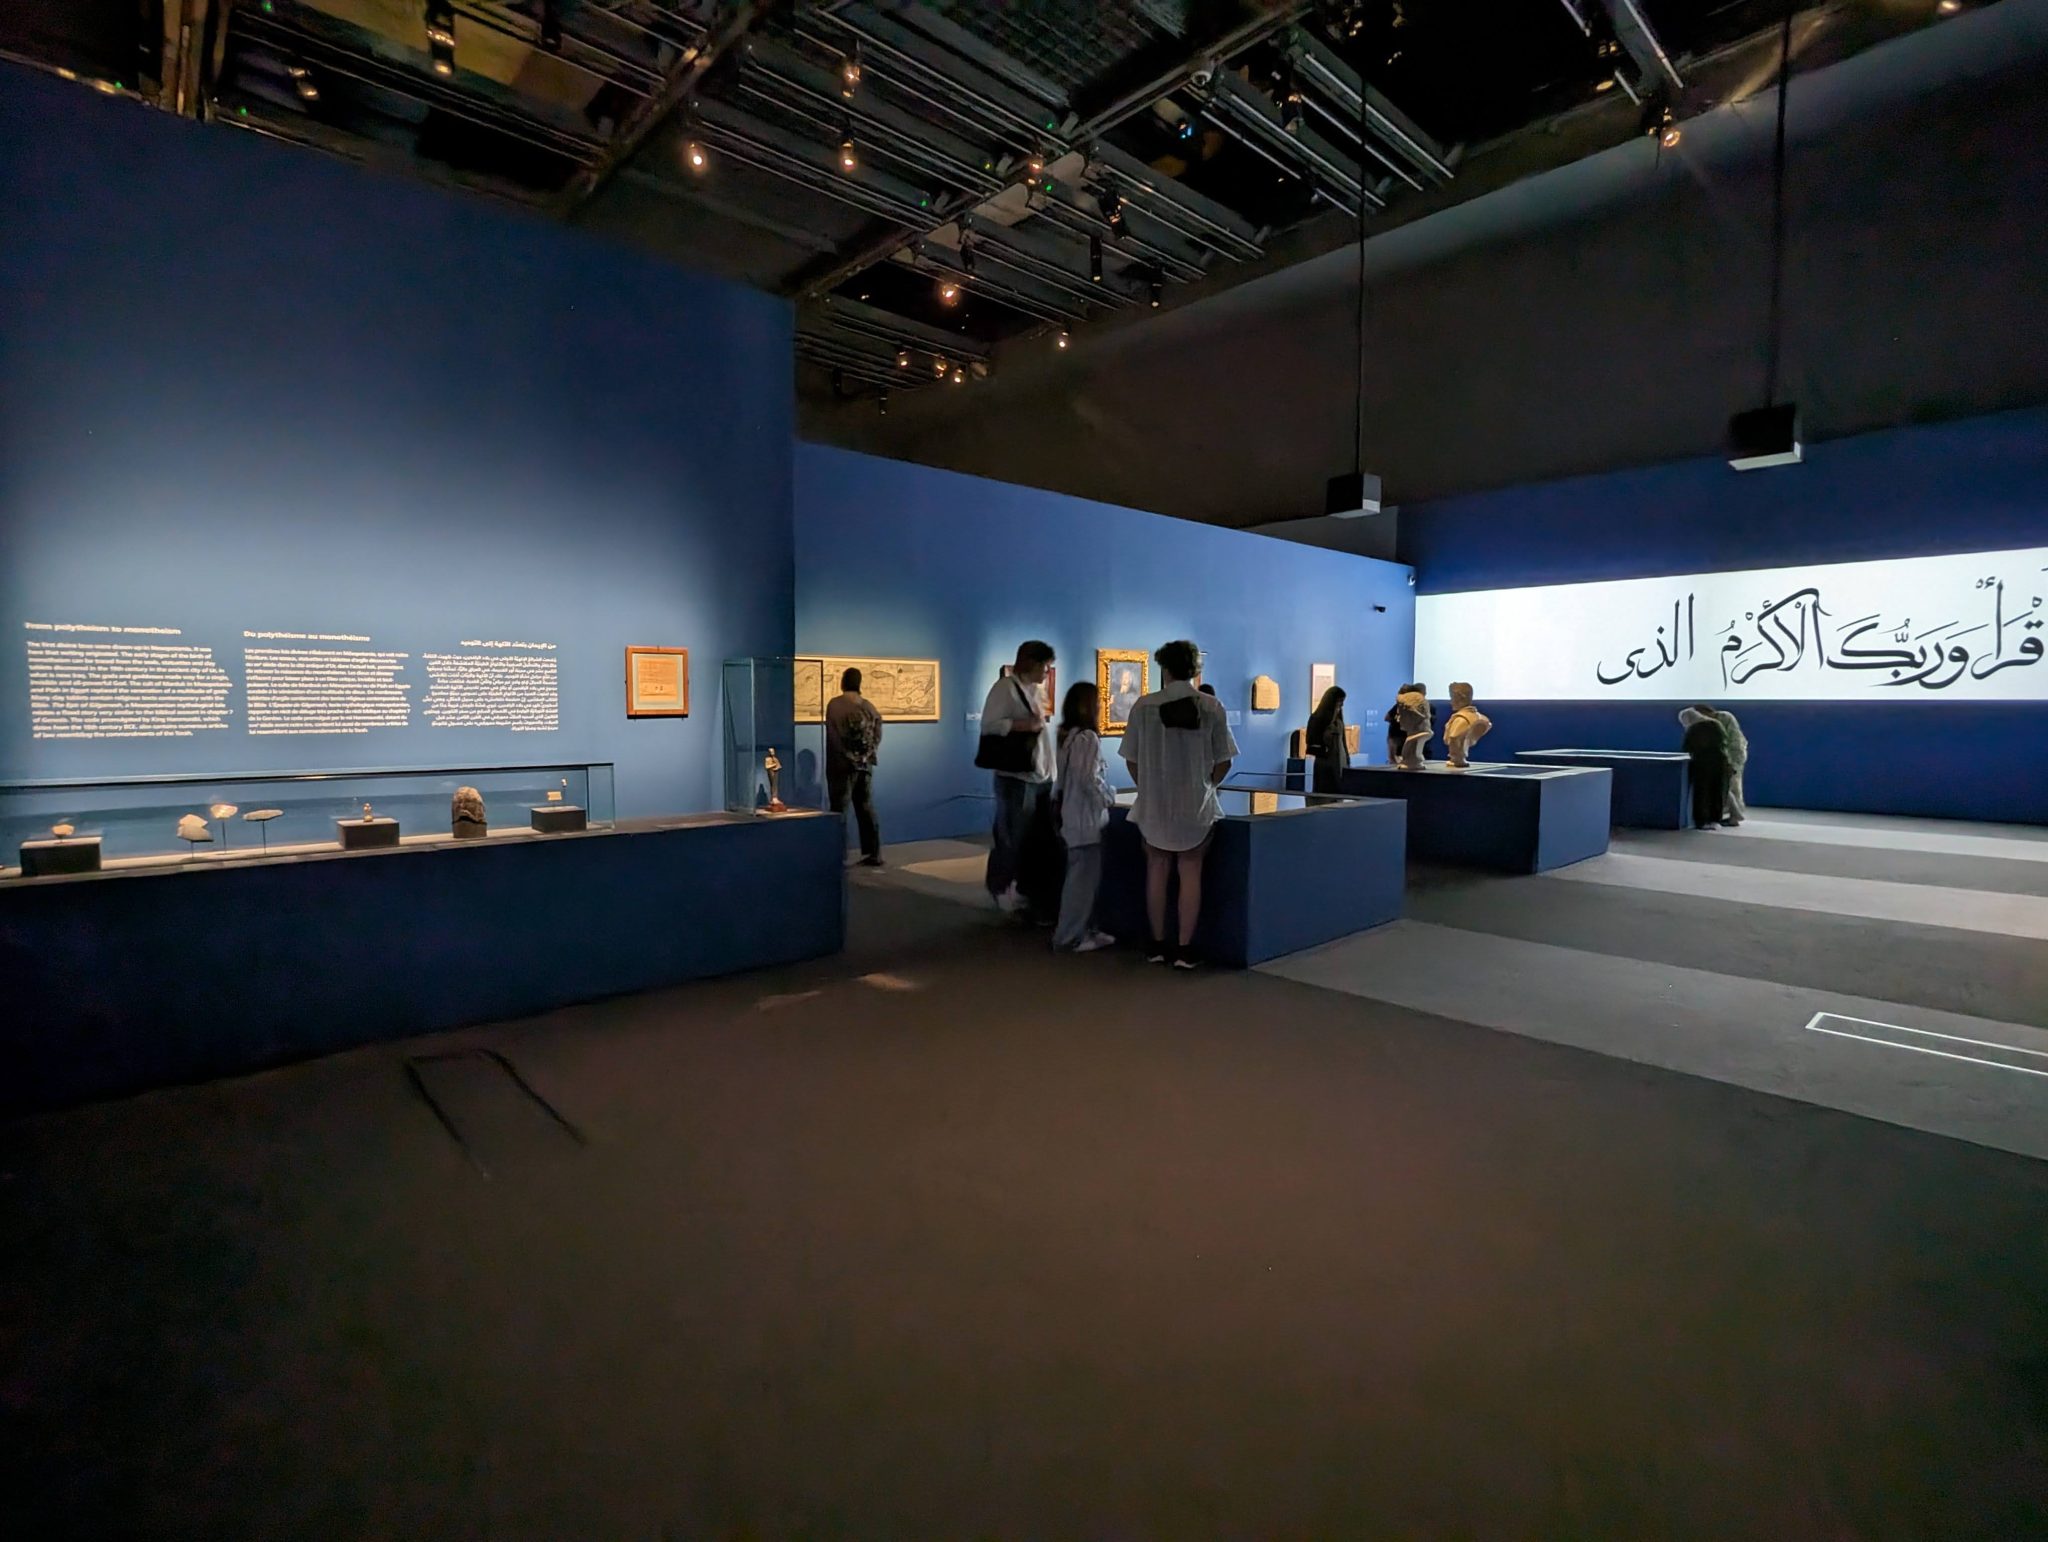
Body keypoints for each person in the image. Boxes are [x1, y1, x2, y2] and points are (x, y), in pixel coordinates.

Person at [1120, 639, 1238, 969]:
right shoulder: (1211, 707)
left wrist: (1149, 787)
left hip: (1154, 805)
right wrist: (1207, 785)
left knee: (1156, 871)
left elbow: (1131, 759)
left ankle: (1157, 945)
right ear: (1195, 669)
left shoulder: (1143, 706)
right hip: (1196, 806)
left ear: (1164, 668)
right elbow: (1224, 760)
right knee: (1191, 872)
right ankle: (1185, 949)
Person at [980, 640, 1058, 918]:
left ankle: (1022, 887)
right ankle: (1001, 887)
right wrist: (1021, 725)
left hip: (1039, 774)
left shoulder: (1035, 690)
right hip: (1016, 776)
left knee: (1034, 837)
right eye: (1045, 666)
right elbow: (989, 725)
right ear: (1032, 663)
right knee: (1011, 835)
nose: (1047, 672)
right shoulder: (1005, 688)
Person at [1053, 682, 1117, 953]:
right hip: (1085, 820)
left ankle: (1083, 929)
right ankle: (1069, 937)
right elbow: (1089, 778)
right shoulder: (1087, 738)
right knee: (1081, 882)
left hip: (1072, 817)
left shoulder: (1067, 737)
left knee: (1081, 878)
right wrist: (1108, 797)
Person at [824, 667, 884, 866]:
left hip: (842, 766)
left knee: (839, 810)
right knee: (865, 806)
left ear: (843, 681)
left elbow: (833, 737)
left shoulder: (835, 705)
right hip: (865, 765)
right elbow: (877, 734)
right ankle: (874, 852)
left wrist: (847, 756)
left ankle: (837, 853)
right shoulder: (869, 707)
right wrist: (866, 756)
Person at [1695, 703, 1749, 824]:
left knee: (1733, 784)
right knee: (1725, 785)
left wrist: (1732, 762)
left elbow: (1735, 741)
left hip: (1735, 754)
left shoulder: (1725, 717)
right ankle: (1728, 813)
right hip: (1724, 757)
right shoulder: (1706, 724)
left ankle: (1735, 816)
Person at [1678, 707, 1731, 830]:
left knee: (1702, 793)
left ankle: (1702, 821)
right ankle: (1715, 820)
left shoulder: (1693, 729)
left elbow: (1687, 749)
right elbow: (1724, 744)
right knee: (1717, 792)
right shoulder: (1716, 724)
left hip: (1701, 766)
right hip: (1720, 763)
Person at [1305, 684, 1349, 794]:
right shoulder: (1316, 718)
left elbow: (1343, 742)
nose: (1341, 705)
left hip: (1339, 761)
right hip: (1325, 762)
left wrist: (1347, 760)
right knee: (1325, 792)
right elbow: (1311, 741)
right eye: (1340, 701)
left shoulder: (1338, 720)